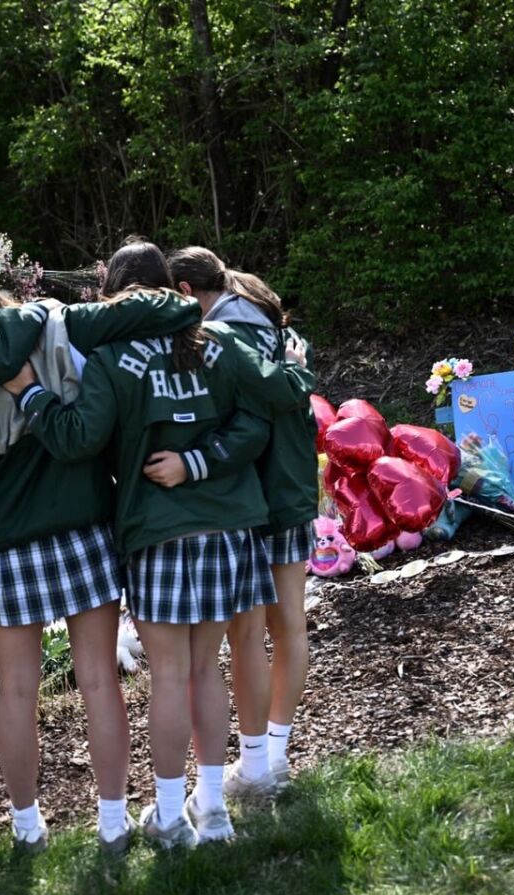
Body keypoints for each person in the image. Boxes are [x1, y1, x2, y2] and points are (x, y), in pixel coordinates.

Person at [2, 241, 312, 848]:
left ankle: (171, 817)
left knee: (170, 675)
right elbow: (260, 415)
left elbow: (77, 440)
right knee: (205, 670)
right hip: (229, 529)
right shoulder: (216, 342)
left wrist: (30, 393)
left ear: (115, 297)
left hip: (157, 532)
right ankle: (214, 808)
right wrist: (205, 457)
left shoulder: (112, 356)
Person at [0, 271, 201, 854]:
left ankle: (27, 828)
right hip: (82, 526)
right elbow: (156, 310)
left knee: (17, 692)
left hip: (7, 539)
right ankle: (111, 821)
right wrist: (181, 304)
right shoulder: (56, 323)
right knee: (101, 681)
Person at [151, 246, 318, 800]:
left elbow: (278, 391)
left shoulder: (225, 333)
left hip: (256, 494)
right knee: (285, 625)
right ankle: (270, 755)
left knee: (252, 632)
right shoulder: (256, 311)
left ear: (184, 293)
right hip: (288, 485)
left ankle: (262, 762)